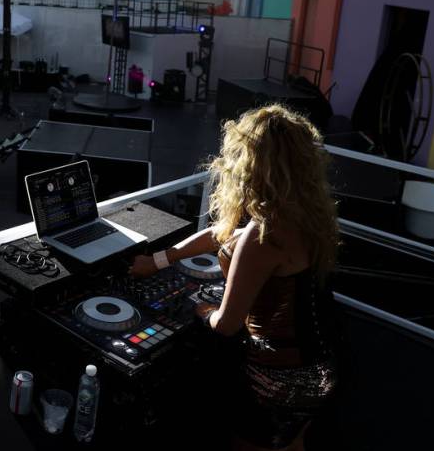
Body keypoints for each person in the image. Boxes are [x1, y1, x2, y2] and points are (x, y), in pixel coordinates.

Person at [130, 104, 340, 451]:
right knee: (292, 442)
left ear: (253, 165)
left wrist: (202, 310)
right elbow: (221, 232)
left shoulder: (263, 235)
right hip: (323, 363)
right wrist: (159, 260)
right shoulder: (309, 214)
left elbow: (227, 325)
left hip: (281, 379)